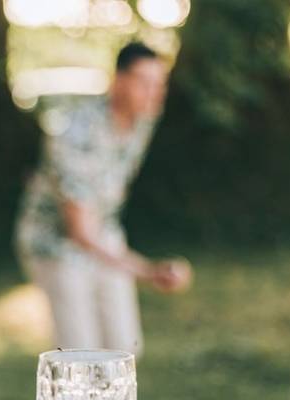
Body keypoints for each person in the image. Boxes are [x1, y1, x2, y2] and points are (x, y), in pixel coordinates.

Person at [15, 42, 192, 356]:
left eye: (159, 84)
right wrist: (149, 271)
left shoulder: (142, 121)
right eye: (145, 82)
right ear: (117, 81)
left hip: (103, 232)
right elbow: (80, 233)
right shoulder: (75, 132)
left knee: (124, 350)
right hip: (56, 244)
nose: (155, 93)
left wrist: (142, 267)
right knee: (80, 357)